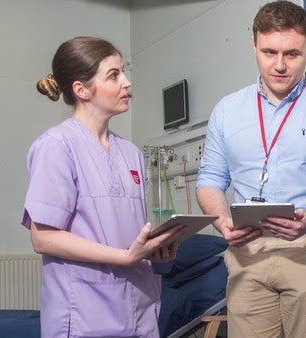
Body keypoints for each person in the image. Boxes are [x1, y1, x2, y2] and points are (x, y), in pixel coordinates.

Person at [195, 1, 306, 337]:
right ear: (253, 45)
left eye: (291, 54)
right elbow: (209, 181)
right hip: (247, 253)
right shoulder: (227, 111)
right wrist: (222, 224)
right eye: (269, 52)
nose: (279, 65)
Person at [22, 37, 187, 338]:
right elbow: (42, 238)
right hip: (85, 313)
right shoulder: (56, 147)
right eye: (114, 75)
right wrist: (124, 257)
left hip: (139, 310)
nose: (127, 82)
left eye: (123, 72)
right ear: (81, 89)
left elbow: (127, 234)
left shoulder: (132, 153)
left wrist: (154, 250)